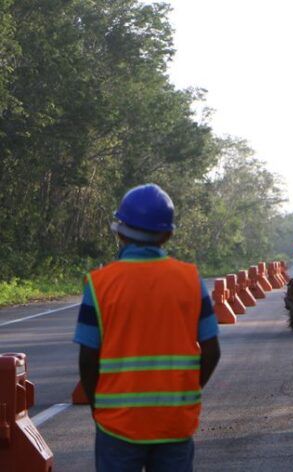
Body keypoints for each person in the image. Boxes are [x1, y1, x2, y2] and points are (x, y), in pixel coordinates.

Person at [74, 183, 221, 472]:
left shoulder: (100, 284)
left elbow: (87, 358)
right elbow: (212, 351)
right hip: (174, 424)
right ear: (167, 234)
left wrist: (98, 408)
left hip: (118, 424)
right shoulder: (190, 280)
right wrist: (185, 393)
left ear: (119, 231)